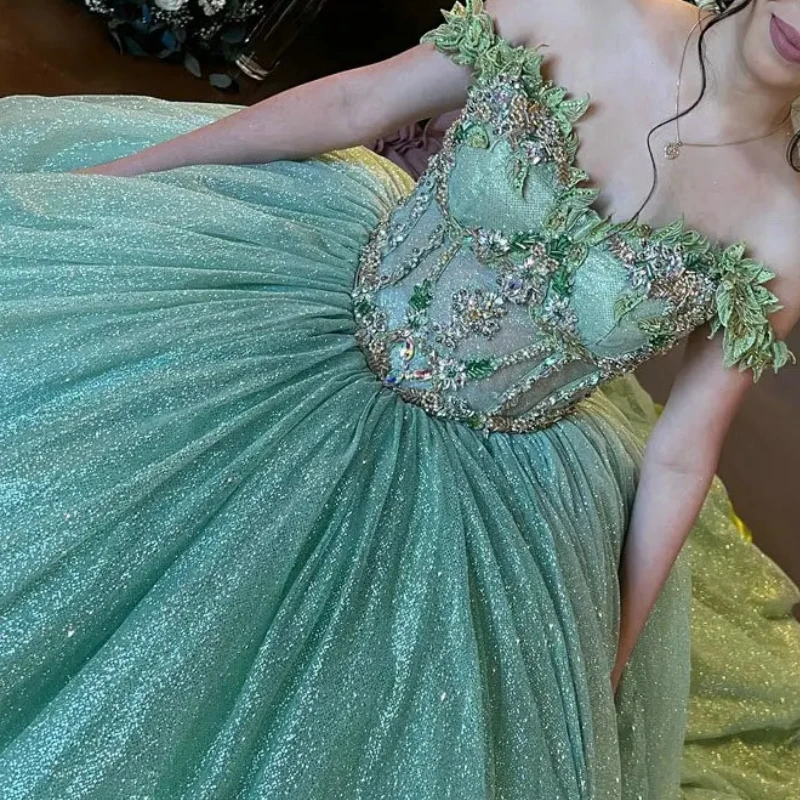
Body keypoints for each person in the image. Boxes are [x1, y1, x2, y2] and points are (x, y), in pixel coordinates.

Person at [0, 0, 799, 796]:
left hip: (494, 484)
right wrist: (114, 180)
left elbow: (683, 449)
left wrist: (608, 656)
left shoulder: (785, 226)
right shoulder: (585, 10)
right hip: (298, 317)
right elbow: (356, 104)